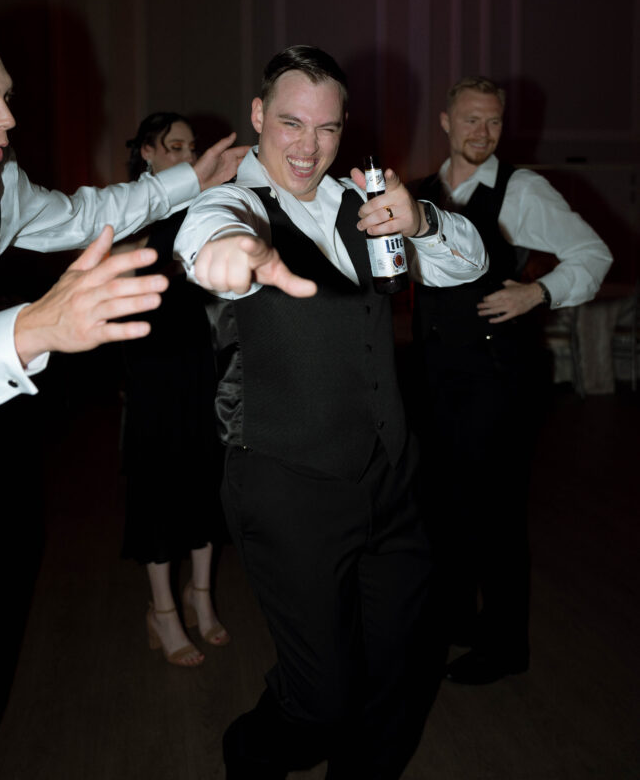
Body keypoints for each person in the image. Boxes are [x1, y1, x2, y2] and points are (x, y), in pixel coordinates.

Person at [173, 45, 487, 779]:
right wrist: (220, 250)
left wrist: (422, 224)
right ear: (257, 116)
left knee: (401, 673)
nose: (306, 146)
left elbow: (468, 264)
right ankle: (248, 755)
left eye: (326, 128)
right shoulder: (238, 202)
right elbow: (209, 226)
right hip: (288, 487)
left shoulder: (362, 204)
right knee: (320, 702)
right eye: (288, 124)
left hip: (389, 479)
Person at [0, 0, 247, 776]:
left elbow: (93, 211)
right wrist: (33, 329)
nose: (9, 117)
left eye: (6, 94)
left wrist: (192, 177)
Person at [413, 74, 613, 685]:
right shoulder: (421, 192)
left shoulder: (521, 189)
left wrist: (538, 292)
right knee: (443, 507)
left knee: (496, 515)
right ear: (445, 122)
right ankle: (455, 619)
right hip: (437, 377)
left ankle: (506, 647)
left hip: (500, 379)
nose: (483, 132)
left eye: (494, 121)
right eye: (471, 120)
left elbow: (594, 255)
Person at [120, 113, 230, 669]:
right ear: (146, 151)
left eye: (192, 145)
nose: (189, 153)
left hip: (196, 358)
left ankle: (201, 597)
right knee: (158, 483)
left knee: (204, 475)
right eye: (176, 145)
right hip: (149, 361)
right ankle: (162, 611)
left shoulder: (201, 203)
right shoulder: (129, 205)